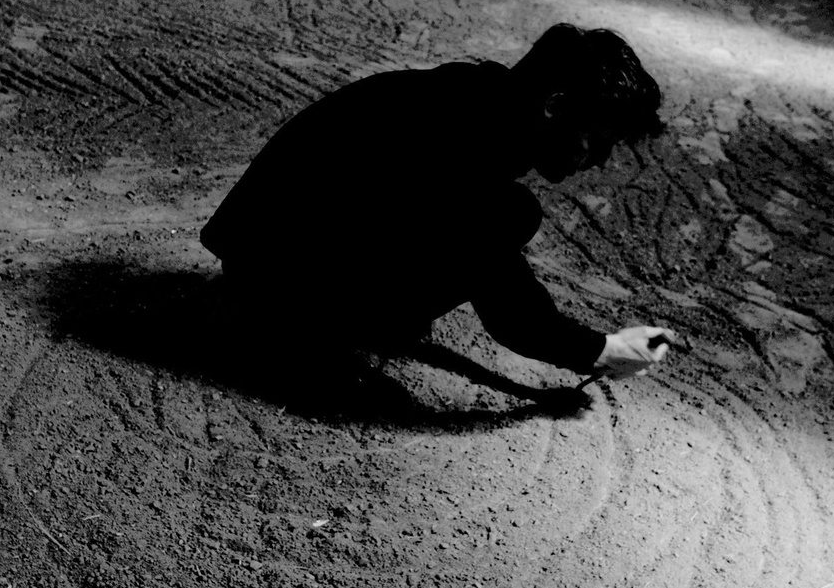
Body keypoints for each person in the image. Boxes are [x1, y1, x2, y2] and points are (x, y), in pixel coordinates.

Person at [200, 23, 675, 386]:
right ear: (555, 105)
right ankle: (311, 328)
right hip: (269, 286)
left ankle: (339, 312)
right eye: (596, 141)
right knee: (502, 218)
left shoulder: (476, 98)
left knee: (509, 213)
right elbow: (511, 307)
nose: (598, 160)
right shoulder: (468, 140)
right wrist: (603, 350)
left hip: (261, 254)